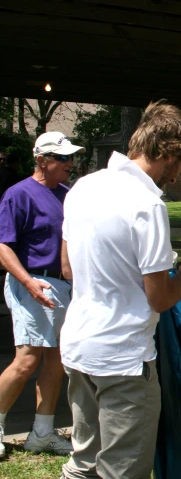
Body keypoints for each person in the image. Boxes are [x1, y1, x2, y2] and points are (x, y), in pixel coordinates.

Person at [59, 101, 181, 479]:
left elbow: (67, 267)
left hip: (78, 345)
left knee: (83, 463)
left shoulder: (82, 187)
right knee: (122, 470)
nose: (180, 173)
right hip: (123, 357)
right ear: (169, 153)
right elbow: (159, 297)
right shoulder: (147, 205)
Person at [0, 132, 85, 459]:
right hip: (30, 284)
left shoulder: (67, 195)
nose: (70, 164)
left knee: (56, 360)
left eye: (71, 158)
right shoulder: (18, 194)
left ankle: (42, 434)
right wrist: (28, 283)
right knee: (27, 359)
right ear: (42, 160)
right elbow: (4, 246)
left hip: (62, 288)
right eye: (63, 158)